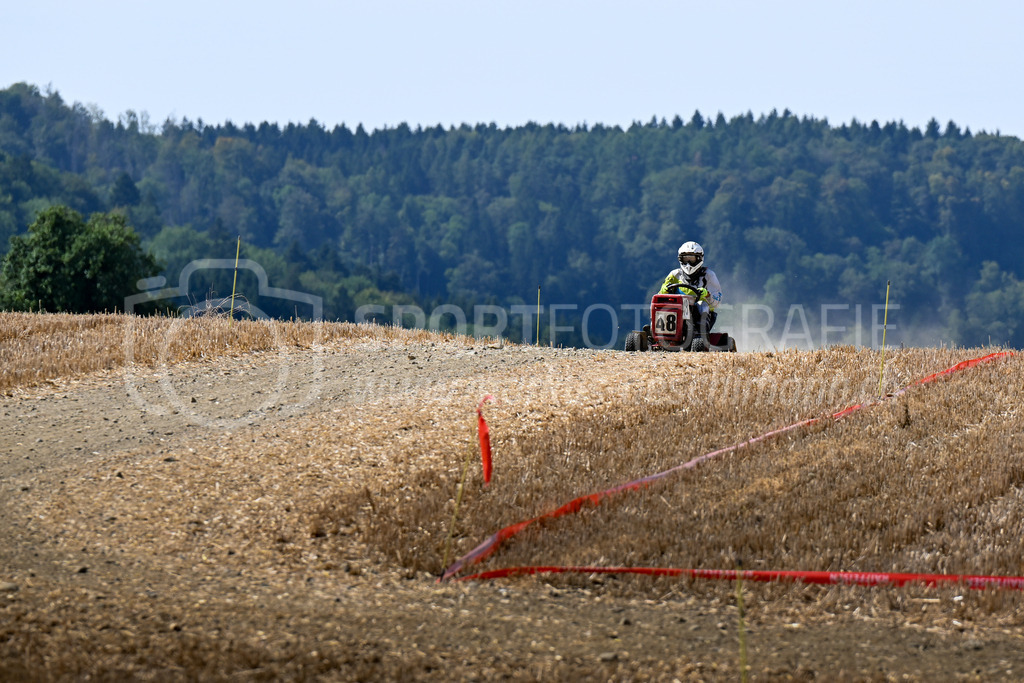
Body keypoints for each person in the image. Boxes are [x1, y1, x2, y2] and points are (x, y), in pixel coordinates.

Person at [658, 241, 724, 331]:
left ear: (699, 259)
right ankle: (657, 331)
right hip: (676, 311)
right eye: (685, 260)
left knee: (702, 305)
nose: (688, 264)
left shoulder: (708, 275)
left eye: (691, 260)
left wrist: (707, 294)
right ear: (680, 259)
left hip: (698, 314)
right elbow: (659, 296)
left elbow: (717, 301)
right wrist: (663, 291)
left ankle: (700, 336)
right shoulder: (674, 275)